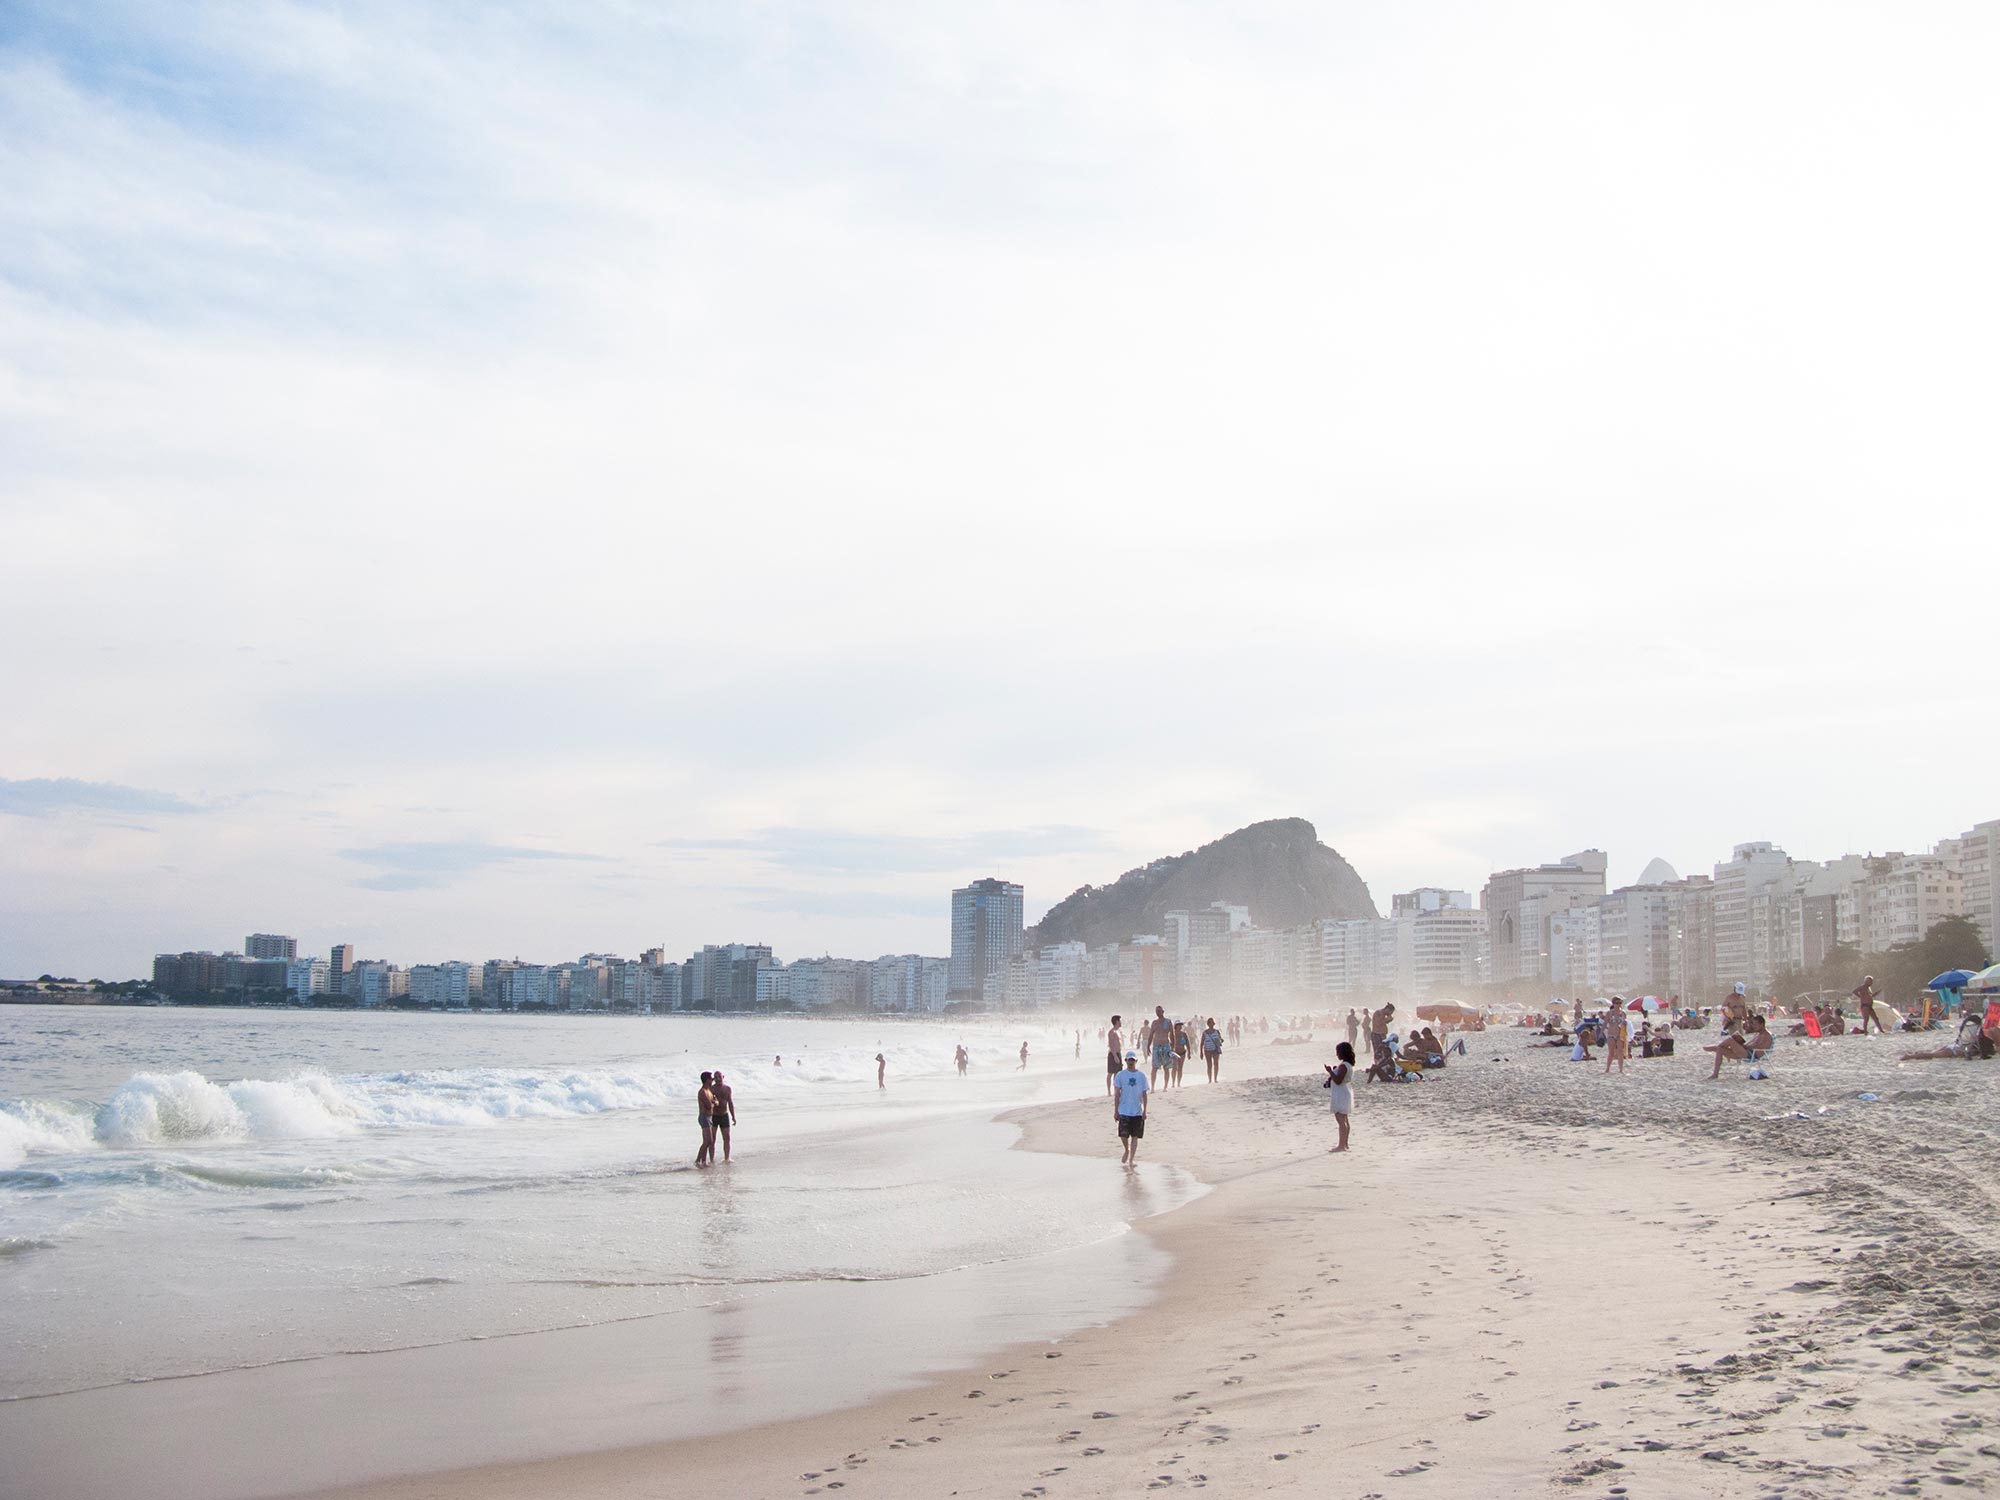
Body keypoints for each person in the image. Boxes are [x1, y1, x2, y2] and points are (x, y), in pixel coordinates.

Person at [1111, 1050, 1149, 1165]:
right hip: (1124, 1109)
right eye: (1129, 1060)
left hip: (1137, 1110)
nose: (1131, 1062)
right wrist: (1116, 1110)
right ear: (1125, 1061)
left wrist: (1145, 1110)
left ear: (1136, 1061)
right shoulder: (1120, 1075)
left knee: (1135, 1136)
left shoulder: (1142, 1076)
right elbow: (1117, 1094)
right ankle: (1126, 1150)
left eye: (1133, 1060)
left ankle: (1131, 1159)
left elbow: (1144, 1094)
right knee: (1123, 1134)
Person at [1705, 1014, 1772, 1079]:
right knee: (1720, 1049)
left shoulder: (1767, 1036)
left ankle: (1716, 1048)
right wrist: (1742, 1044)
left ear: (1762, 1024)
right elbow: (1750, 1044)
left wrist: (1745, 1046)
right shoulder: (1759, 1035)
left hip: (1751, 1055)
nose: (1754, 1026)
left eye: (1756, 1024)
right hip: (1746, 1051)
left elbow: (1760, 1048)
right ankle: (1715, 1074)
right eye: (1753, 1024)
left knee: (1730, 1040)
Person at [1325, 1042, 1355, 1152]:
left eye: (1338, 1052)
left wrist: (1330, 1072)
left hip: (1341, 1093)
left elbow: (1338, 1080)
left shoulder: (1344, 1066)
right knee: (1344, 1119)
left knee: (1341, 1120)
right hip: (1344, 1091)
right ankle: (1345, 1144)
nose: (1337, 1054)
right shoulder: (1348, 1065)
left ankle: (1342, 1145)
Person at [710, 1070, 737, 1162]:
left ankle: (727, 1158)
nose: (718, 1079)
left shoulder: (727, 1088)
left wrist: (733, 1116)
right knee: (712, 1139)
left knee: (727, 1138)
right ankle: (711, 1159)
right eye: (716, 1077)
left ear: (723, 1077)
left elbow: (730, 1103)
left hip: (724, 1115)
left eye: (719, 1077)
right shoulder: (711, 1089)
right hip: (714, 1116)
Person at [1147, 1005, 1173, 1087]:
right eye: (1156, 1011)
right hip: (1156, 1046)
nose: (1157, 1012)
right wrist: (1148, 1046)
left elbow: (1172, 1034)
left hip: (1166, 1045)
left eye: (1159, 1011)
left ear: (1163, 1011)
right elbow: (1151, 1035)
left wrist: (1173, 1046)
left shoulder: (1168, 1022)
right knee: (1154, 1067)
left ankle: (1165, 1086)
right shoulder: (1154, 1023)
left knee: (1166, 1067)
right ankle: (1153, 1087)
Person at [695, 1071, 717, 1168]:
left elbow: (715, 1100)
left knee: (708, 1141)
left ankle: (703, 1161)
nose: (712, 1080)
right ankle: (697, 1160)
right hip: (704, 1116)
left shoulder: (709, 1090)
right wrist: (715, 1103)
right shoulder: (702, 1092)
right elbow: (709, 1105)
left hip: (709, 1117)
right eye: (711, 1079)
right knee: (708, 1140)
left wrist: (714, 1101)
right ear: (707, 1080)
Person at [1603, 1002, 1629, 1076]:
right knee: (1611, 1052)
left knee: (1620, 1052)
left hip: (1620, 1034)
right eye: (1617, 1003)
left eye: (1619, 1003)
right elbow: (1605, 1023)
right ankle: (1607, 1068)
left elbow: (1625, 1024)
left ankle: (1621, 1069)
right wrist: (1601, 1033)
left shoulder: (1623, 1013)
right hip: (1611, 1034)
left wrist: (1625, 1025)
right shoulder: (1609, 1013)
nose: (1618, 1005)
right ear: (1613, 1004)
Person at [1105, 1014, 1124, 1098]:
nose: (1121, 1022)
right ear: (1116, 1021)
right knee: (1110, 1073)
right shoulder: (1112, 1032)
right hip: (1113, 1054)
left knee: (1118, 1073)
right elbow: (1111, 1045)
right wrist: (1115, 1055)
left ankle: (1116, 1089)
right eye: (1120, 1021)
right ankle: (1109, 1091)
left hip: (1118, 1053)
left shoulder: (1118, 1031)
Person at [1201, 1017, 1223, 1083]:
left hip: (1215, 1049)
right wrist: (1201, 1052)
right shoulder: (1205, 1033)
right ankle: (1210, 1080)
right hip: (1207, 1050)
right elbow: (1202, 1043)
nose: (1211, 1024)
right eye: (1210, 1023)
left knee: (1216, 1064)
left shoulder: (1217, 1031)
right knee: (1209, 1065)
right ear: (1208, 1024)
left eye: (1212, 1023)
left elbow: (1221, 1039)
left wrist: (1220, 1041)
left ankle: (1215, 1079)